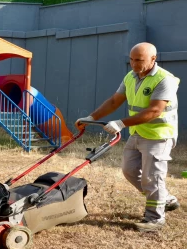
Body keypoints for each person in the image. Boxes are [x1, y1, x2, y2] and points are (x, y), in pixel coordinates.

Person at [75, 42, 180, 232]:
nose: (133, 64)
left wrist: (121, 123)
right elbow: (115, 100)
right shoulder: (130, 77)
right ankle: (165, 199)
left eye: (139, 60)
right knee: (129, 170)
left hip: (159, 136)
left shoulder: (165, 79)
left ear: (153, 59)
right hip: (138, 132)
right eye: (131, 59)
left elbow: (155, 110)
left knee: (152, 177)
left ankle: (154, 219)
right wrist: (92, 117)